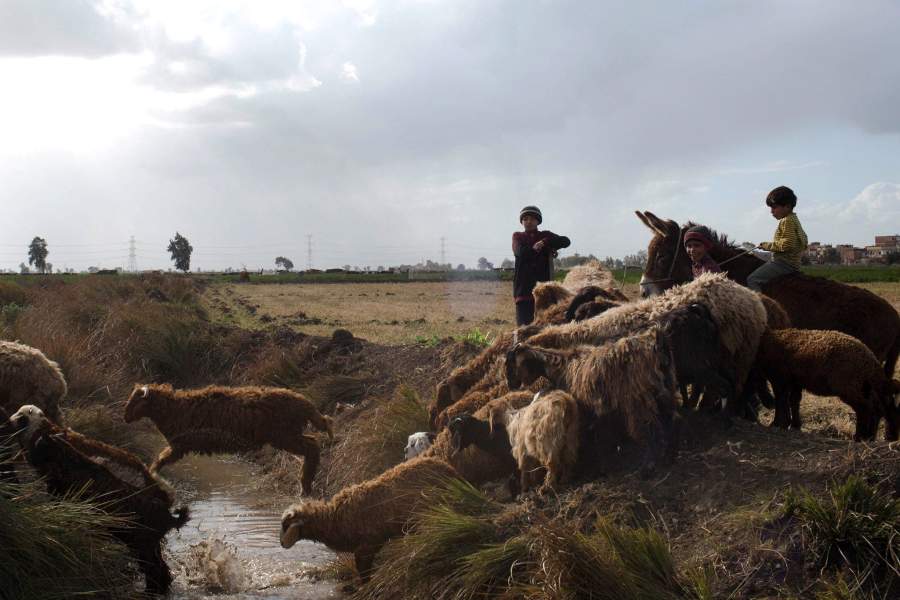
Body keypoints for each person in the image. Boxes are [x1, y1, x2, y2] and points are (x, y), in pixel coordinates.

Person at [512, 206, 570, 325]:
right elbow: (520, 253)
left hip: (544, 292)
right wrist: (536, 248)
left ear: (538, 221)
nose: (529, 222)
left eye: (532, 219)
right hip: (523, 290)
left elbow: (566, 241)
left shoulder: (545, 235)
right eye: (525, 219)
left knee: (544, 326)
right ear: (522, 222)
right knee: (524, 327)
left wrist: (545, 242)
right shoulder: (517, 236)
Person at [747, 186, 808, 291]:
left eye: (774, 207)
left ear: (787, 206)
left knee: (752, 279)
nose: (771, 211)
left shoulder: (786, 221)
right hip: (792, 263)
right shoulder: (794, 219)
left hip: (783, 264)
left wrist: (765, 245)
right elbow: (804, 241)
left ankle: (760, 301)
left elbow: (786, 245)